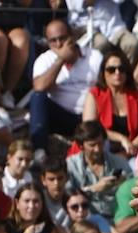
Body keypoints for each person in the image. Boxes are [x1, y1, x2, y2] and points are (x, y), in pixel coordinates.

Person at [30, 17, 102, 148]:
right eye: (53, 41)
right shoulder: (44, 59)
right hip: (61, 115)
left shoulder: (94, 56)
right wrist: (60, 59)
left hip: (91, 116)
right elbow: (39, 87)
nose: (58, 44)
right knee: (37, 97)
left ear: (72, 36)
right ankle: (39, 151)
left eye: (62, 38)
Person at [81, 49, 138, 158]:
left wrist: (131, 147)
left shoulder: (136, 96)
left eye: (121, 69)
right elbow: (89, 130)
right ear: (103, 73)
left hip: (131, 151)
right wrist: (121, 138)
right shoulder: (94, 94)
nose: (117, 73)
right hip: (100, 151)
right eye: (111, 70)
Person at [64, 119, 129, 222]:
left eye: (100, 143)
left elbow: (131, 189)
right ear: (81, 146)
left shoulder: (119, 163)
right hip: (85, 220)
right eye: (92, 145)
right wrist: (94, 188)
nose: (97, 149)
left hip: (117, 219)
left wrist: (124, 184)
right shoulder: (71, 165)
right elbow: (67, 196)